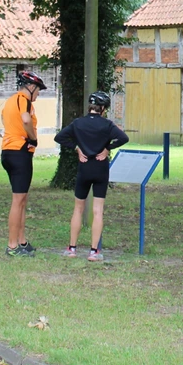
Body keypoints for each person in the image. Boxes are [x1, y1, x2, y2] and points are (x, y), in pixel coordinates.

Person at [54, 91, 129, 261]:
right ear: (103, 108)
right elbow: (123, 138)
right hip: (100, 168)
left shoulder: (78, 123)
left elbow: (59, 137)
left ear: (90, 106)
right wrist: (107, 148)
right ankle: (94, 251)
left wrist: (77, 148)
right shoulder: (107, 125)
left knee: (78, 209)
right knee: (98, 211)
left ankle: (72, 248)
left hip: (84, 167)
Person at [1, 69, 46, 257]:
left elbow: (6, 121)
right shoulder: (23, 99)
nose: (38, 95)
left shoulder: (10, 101)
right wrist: (33, 138)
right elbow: (26, 120)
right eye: (38, 91)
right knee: (18, 200)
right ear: (31, 87)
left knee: (22, 200)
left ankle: (21, 240)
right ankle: (12, 246)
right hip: (20, 152)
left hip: (9, 151)